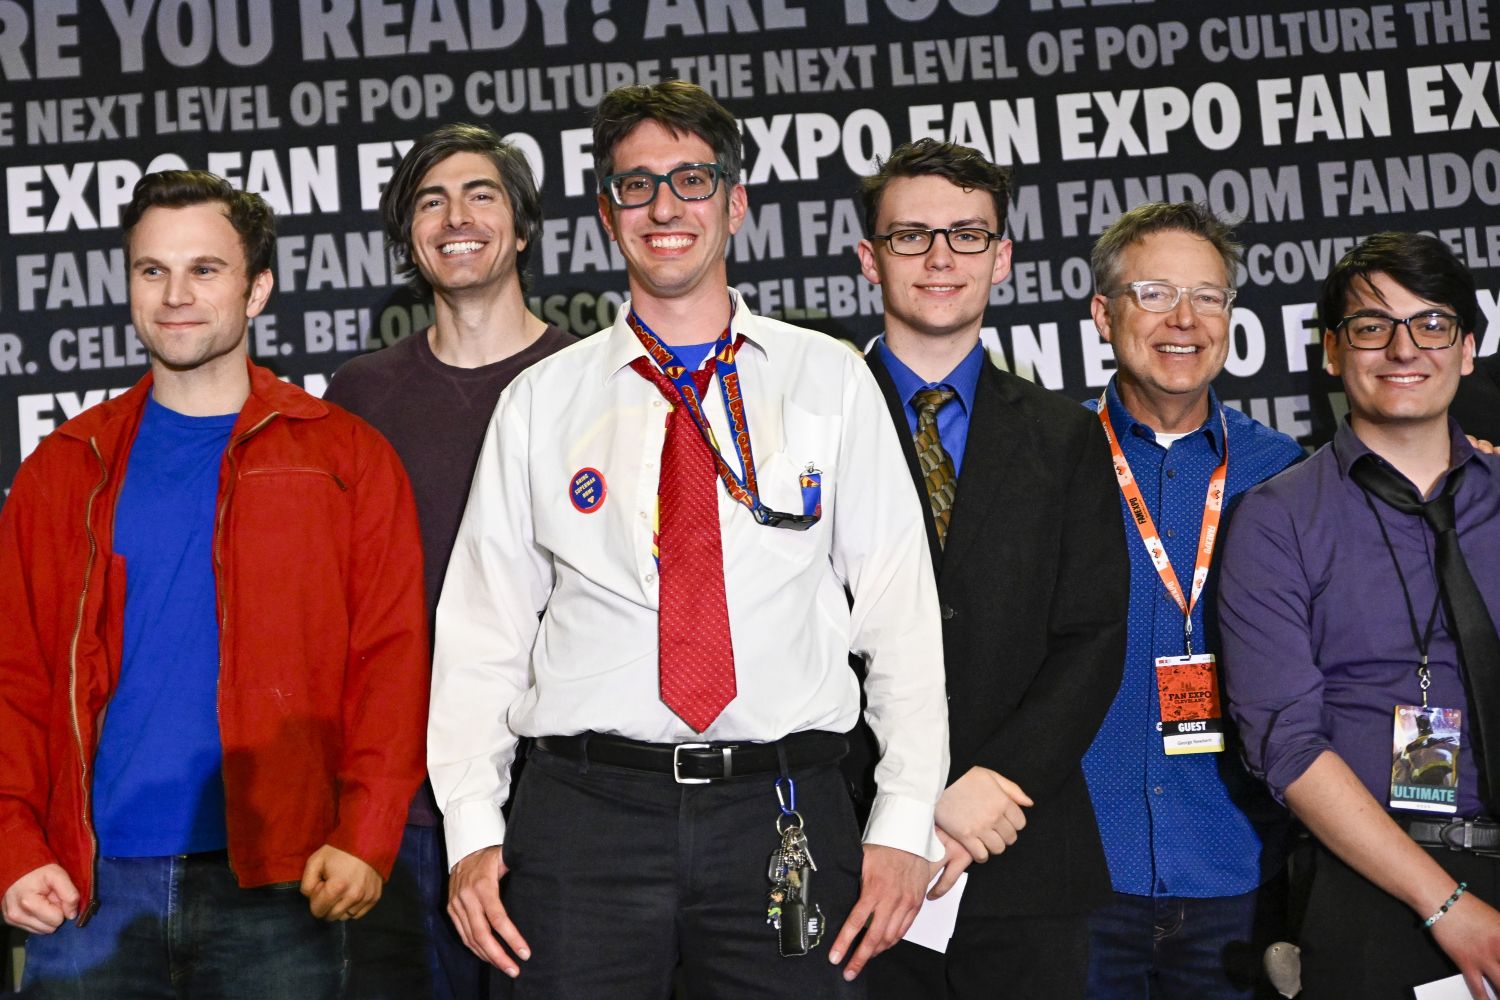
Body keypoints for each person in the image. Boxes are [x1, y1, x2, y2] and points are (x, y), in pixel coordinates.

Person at [427, 80, 949, 999]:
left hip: (783, 809)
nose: (665, 207)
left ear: (735, 204)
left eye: (692, 180)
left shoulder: (828, 380)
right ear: (607, 215)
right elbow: (482, 634)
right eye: (637, 185)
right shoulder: (542, 402)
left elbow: (900, 619)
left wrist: (904, 821)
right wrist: (471, 829)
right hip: (584, 823)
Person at [0, 170, 428, 997]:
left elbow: (393, 663)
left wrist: (368, 833)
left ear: (256, 288)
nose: (175, 296)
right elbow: (15, 673)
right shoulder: (66, 467)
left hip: (284, 880)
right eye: (152, 270)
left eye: (204, 269)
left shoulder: (346, 459)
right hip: (88, 887)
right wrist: (13, 842)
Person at [849, 139, 1128, 999]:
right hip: (851, 843)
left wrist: (996, 784)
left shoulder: (1066, 435)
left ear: (1001, 258)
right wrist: (905, 800)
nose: (941, 258)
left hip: (1020, 848)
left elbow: (1093, 637)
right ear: (869, 259)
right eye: (911, 236)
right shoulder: (814, 424)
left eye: (967, 236)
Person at [323, 123, 573, 1000]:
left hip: (565, 799)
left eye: (481, 195)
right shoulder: (361, 396)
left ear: (524, 227)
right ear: (409, 236)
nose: (456, 217)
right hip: (407, 807)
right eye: (430, 201)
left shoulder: (586, 378)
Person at [1219, 231, 1500, 999]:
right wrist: (1446, 905)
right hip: (1382, 889)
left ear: (1468, 349)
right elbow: (1287, 746)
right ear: (1333, 351)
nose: (1404, 349)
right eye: (1373, 326)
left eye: (1431, 324)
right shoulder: (1277, 520)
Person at [1079, 203, 1305, 998]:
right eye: (1155, 294)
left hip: (1239, 871)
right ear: (1103, 314)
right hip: (1080, 874)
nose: (1185, 319)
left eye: (1208, 297)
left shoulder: (1288, 474)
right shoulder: (1047, 462)